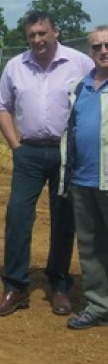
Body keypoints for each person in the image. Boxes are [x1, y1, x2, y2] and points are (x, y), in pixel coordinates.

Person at [0, 11, 93, 317]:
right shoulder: (15, 66)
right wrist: (15, 146)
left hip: (66, 152)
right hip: (29, 153)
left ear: (55, 32)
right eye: (32, 35)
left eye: (42, 33)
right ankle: (16, 286)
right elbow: (2, 105)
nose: (38, 40)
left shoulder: (79, 63)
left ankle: (59, 285)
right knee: (18, 216)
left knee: (63, 219)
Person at [59, 26, 108, 329]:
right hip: (84, 180)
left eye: (107, 45)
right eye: (96, 47)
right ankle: (99, 305)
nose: (103, 50)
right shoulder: (80, 86)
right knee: (90, 247)